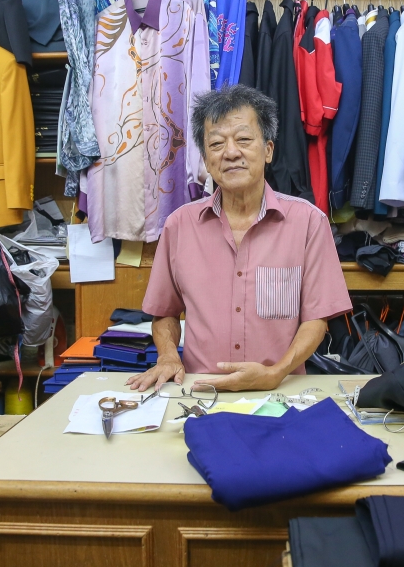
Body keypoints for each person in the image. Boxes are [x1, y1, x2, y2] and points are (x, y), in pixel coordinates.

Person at [129, 85, 352, 392]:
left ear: (268, 150)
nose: (231, 152)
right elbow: (165, 311)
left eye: (244, 139)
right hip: (201, 394)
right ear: (207, 161)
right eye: (216, 144)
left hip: (280, 392)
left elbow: (316, 320)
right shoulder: (179, 226)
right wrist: (168, 357)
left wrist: (277, 372)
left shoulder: (308, 223)